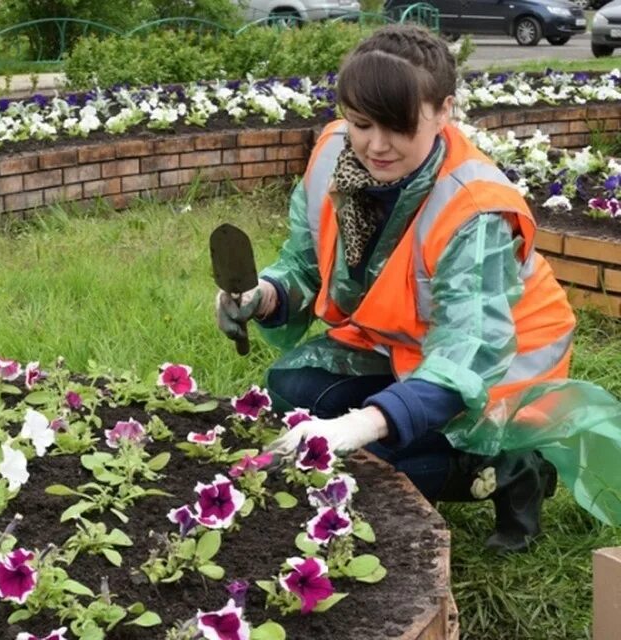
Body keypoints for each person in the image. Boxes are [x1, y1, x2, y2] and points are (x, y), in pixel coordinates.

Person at [216, 23, 621, 553]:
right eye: (360, 123)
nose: (375, 146)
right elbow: (307, 261)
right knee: (295, 392)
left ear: (444, 110)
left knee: (376, 460)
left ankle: (510, 468)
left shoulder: (472, 207)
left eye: (398, 127)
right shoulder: (335, 156)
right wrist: (263, 294)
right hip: (407, 342)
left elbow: (470, 349)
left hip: (500, 365)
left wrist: (363, 424)